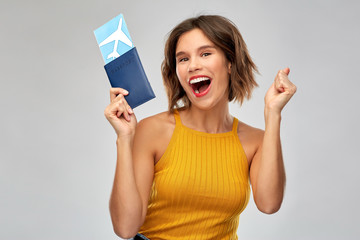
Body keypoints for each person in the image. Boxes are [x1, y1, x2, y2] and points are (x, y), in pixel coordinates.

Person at [104, 15, 297, 240]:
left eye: (205, 53)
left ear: (230, 62)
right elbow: (125, 228)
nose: (193, 65)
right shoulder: (152, 131)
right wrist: (124, 139)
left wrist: (273, 114)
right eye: (183, 59)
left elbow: (269, 204)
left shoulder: (255, 141)